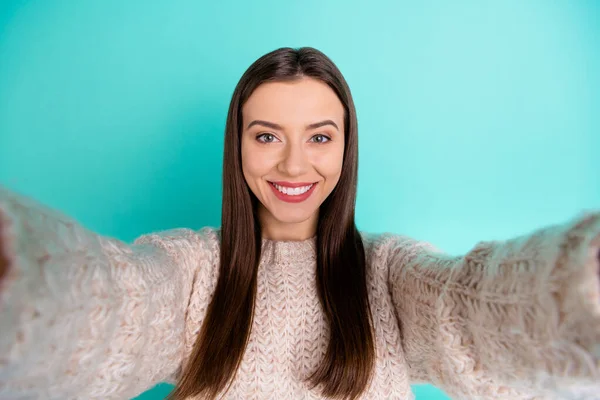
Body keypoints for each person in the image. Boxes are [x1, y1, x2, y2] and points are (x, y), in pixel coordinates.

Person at [0, 47, 599, 400]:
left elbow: (477, 307)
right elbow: (107, 306)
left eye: (319, 137)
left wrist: (580, 277)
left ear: (346, 147)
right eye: (267, 137)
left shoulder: (389, 273)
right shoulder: (188, 270)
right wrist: (17, 270)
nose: (293, 164)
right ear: (238, 146)